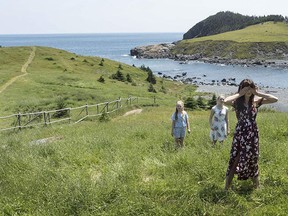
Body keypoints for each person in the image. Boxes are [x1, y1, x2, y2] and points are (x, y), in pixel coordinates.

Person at [224, 79, 278, 190]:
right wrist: (240, 93)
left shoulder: (256, 101)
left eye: (250, 87)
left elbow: (275, 99)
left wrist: (258, 93)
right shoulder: (237, 102)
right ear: (242, 88)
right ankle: (226, 187)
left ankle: (256, 186)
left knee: (253, 158)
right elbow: (225, 101)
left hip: (253, 134)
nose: (248, 90)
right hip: (241, 133)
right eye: (246, 87)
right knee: (235, 158)